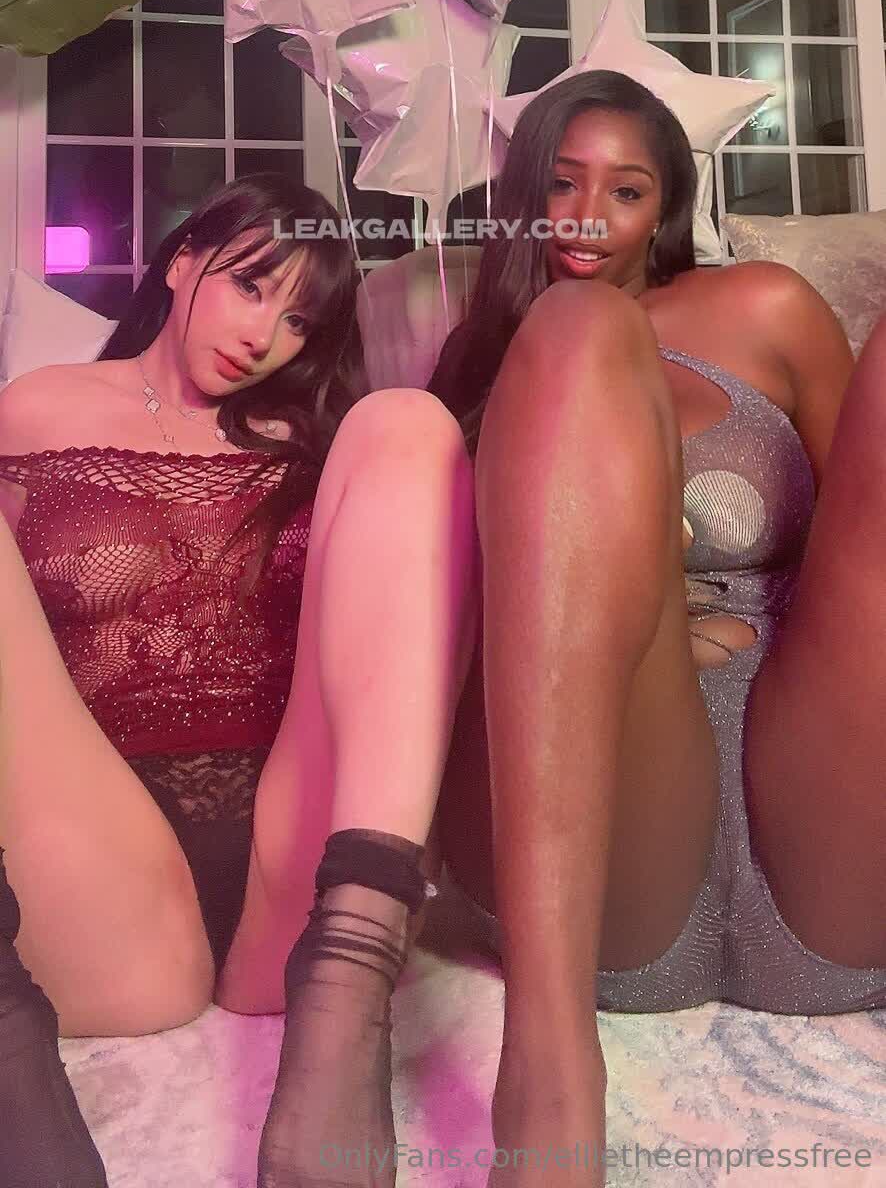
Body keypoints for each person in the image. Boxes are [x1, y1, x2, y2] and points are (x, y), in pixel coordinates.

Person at [428, 69, 886, 1180]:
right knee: (578, 326)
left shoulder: (761, 308)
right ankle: (547, 1076)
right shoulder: (481, 366)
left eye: (625, 191)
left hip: (817, 767)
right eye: (562, 184)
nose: (589, 216)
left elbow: (860, 538)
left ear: (665, 209)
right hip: (604, 825)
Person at [0, 172, 479, 1188]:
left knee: (408, 422)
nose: (265, 336)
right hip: (97, 873)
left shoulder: (320, 442)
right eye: (251, 286)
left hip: (296, 870)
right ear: (182, 263)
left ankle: (351, 983)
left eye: (299, 319)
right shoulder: (36, 409)